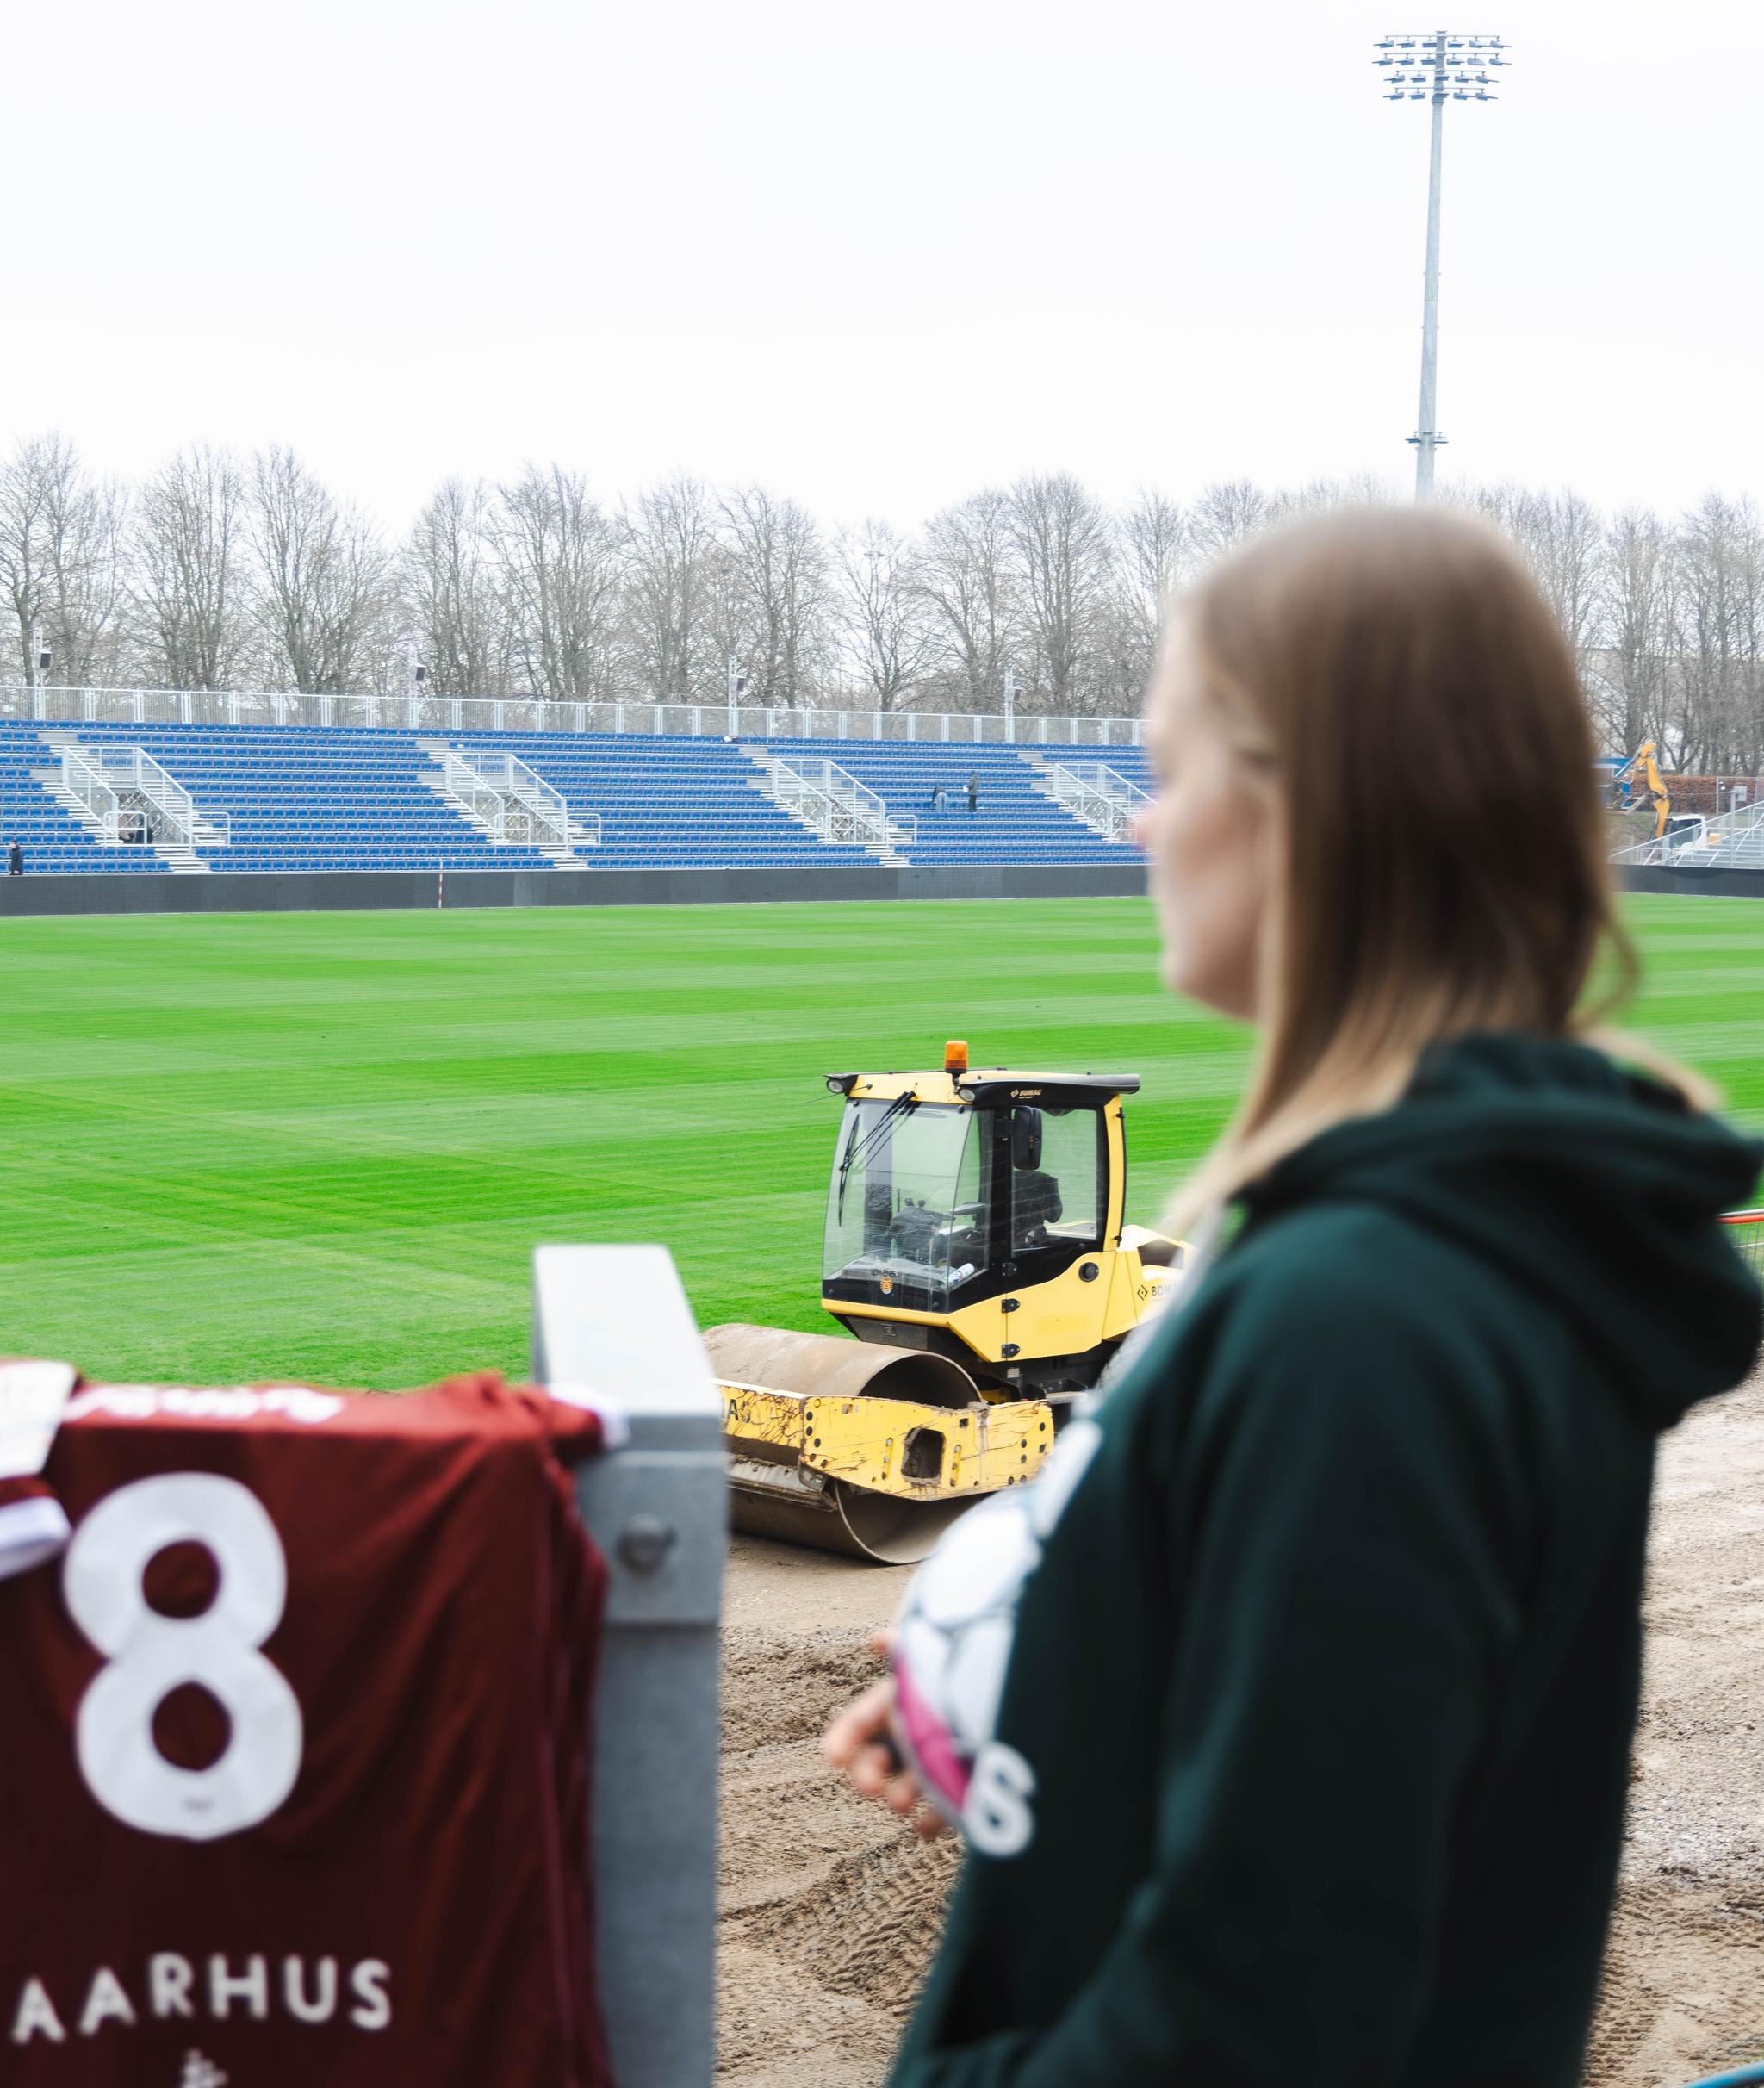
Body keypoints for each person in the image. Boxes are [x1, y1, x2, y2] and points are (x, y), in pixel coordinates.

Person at [825, 509, 1762, 2088]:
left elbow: (1261, 2016)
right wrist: (1043, 1717)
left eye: (1172, 771)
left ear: (1311, 814)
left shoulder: (1365, 1320)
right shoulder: (1396, 1250)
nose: (1141, 828)